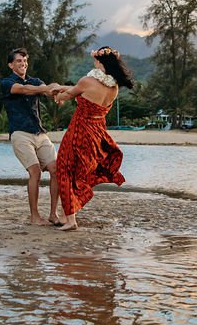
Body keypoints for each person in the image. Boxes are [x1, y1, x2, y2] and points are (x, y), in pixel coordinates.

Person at [52, 46, 135, 231]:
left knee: (64, 170)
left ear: (99, 62)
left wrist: (56, 93)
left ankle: (71, 219)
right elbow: (77, 90)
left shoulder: (87, 80)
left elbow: (68, 95)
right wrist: (63, 89)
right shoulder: (114, 87)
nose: (93, 63)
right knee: (79, 171)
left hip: (79, 132)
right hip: (97, 133)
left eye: (95, 60)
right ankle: (68, 214)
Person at [0, 47, 62, 226]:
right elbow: (26, 90)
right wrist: (45, 88)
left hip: (40, 133)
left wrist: (58, 90)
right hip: (20, 134)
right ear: (11, 65)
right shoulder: (6, 83)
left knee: (56, 170)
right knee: (34, 172)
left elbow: (48, 91)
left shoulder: (35, 81)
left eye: (25, 61)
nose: (23, 64)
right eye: (19, 61)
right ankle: (35, 216)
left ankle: (53, 214)